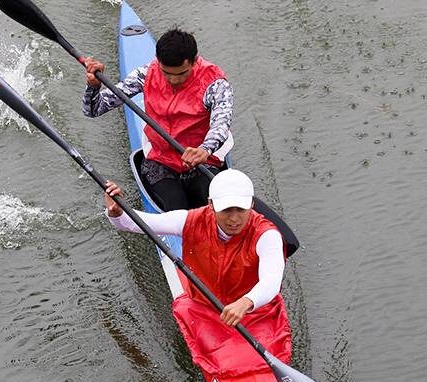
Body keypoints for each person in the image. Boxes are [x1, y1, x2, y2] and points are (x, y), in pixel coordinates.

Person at [103, 169, 284, 329]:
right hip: (204, 305)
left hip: (253, 310)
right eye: (226, 210)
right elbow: (137, 224)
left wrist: (247, 302)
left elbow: (271, 281)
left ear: (251, 205)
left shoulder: (267, 235)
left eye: (241, 210)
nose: (234, 219)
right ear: (211, 204)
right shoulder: (191, 221)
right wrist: (117, 212)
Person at [84, 28, 234, 211]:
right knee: (176, 208)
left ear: (195, 61)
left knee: (216, 208)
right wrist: (93, 87)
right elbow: (94, 109)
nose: (172, 79)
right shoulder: (147, 73)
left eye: (181, 74)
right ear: (158, 61)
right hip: (160, 161)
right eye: (166, 73)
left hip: (201, 161)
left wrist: (205, 149)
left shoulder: (215, 84)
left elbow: (221, 123)